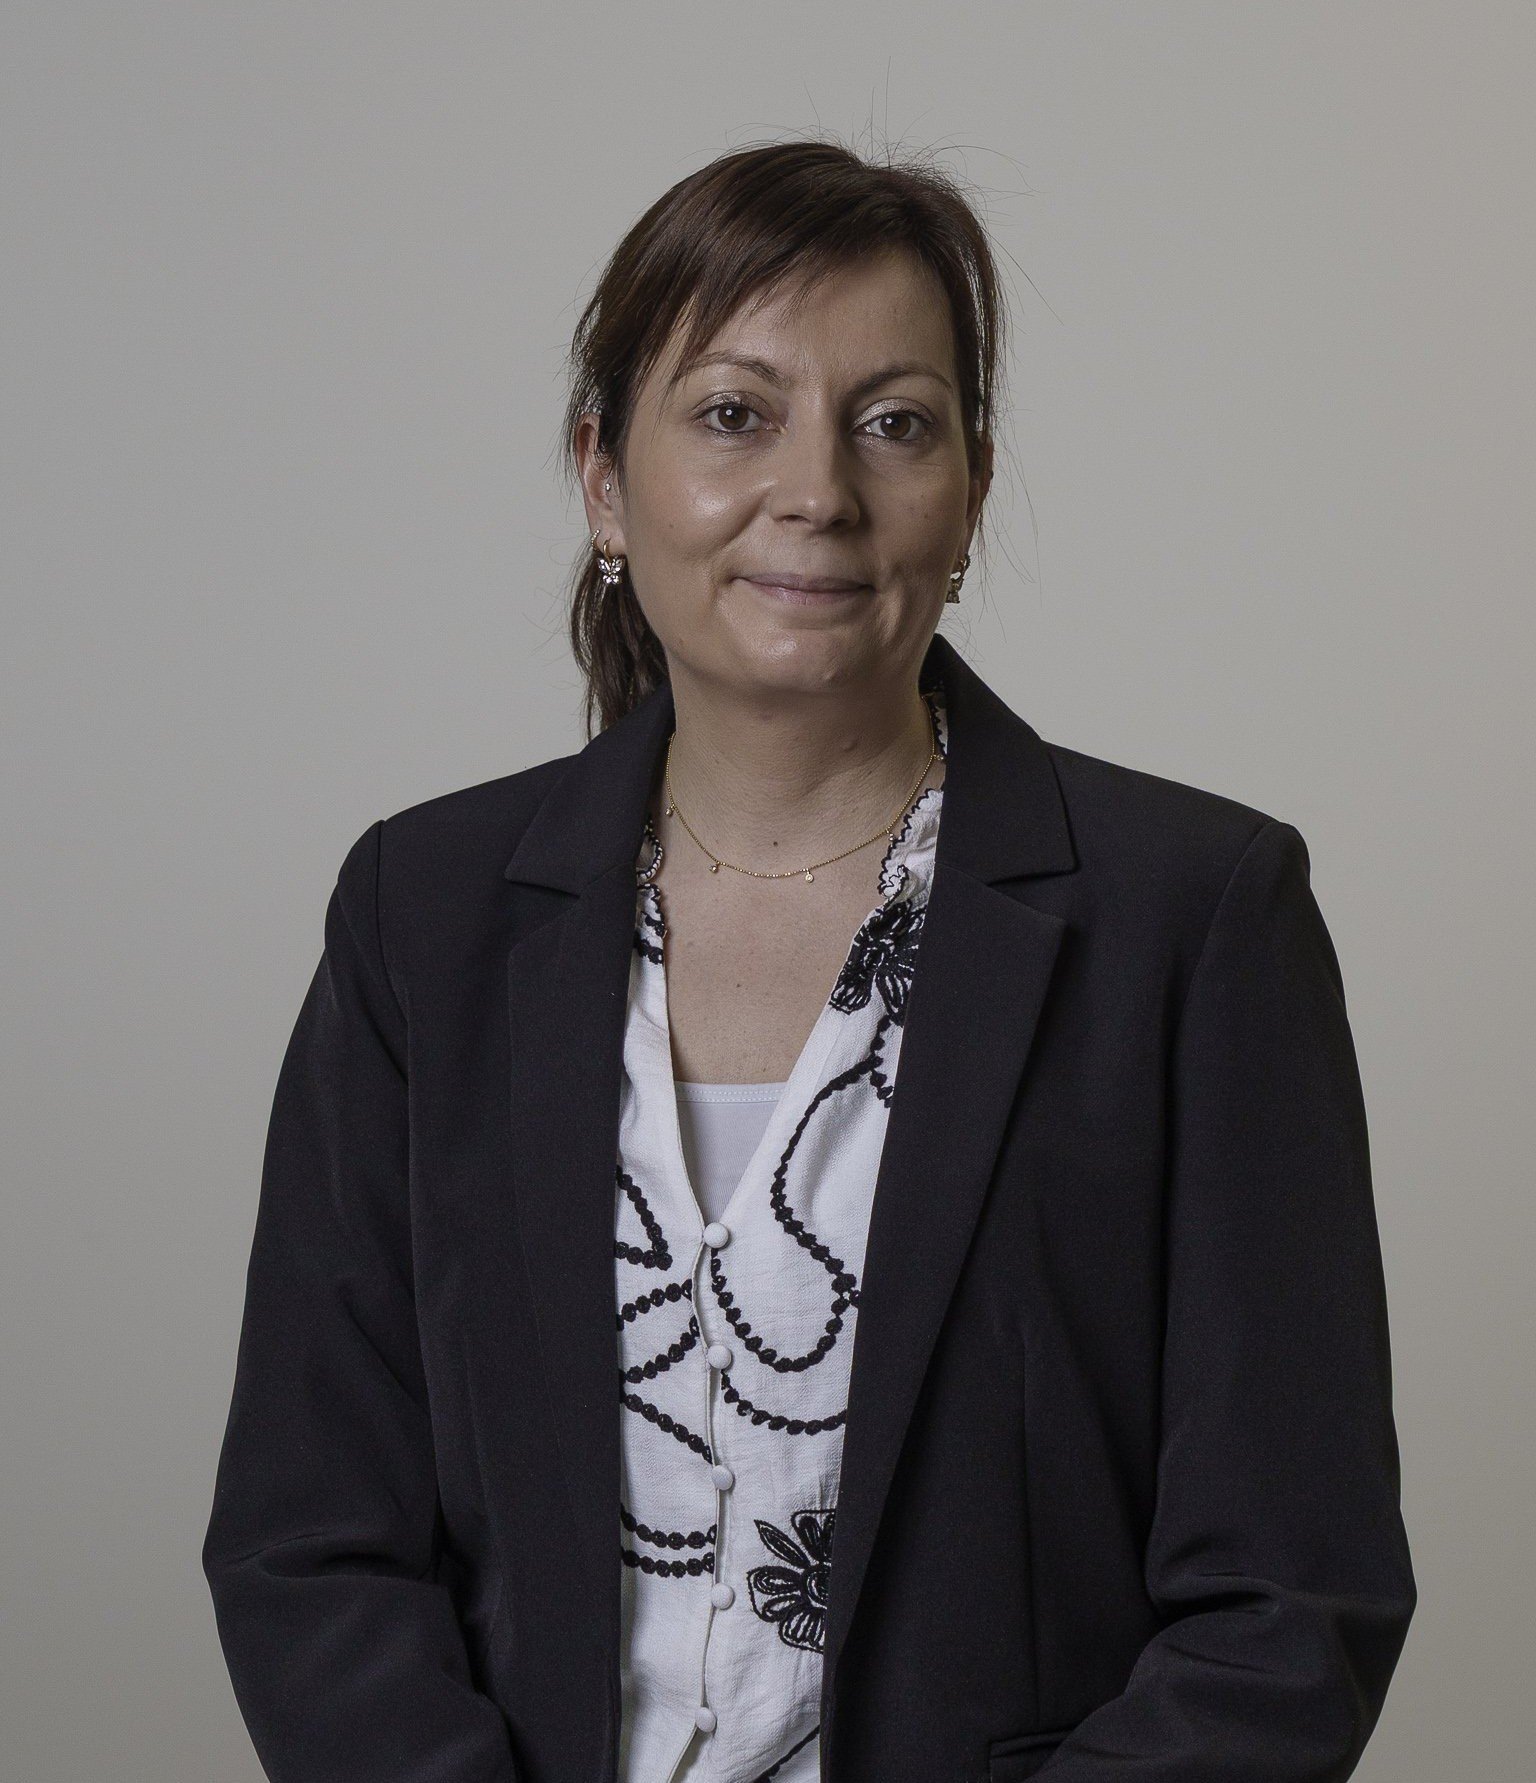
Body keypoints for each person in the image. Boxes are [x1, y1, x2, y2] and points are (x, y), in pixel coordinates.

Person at [202, 139, 1416, 1783]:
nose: (818, 491)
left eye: (894, 423)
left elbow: (1290, 1603)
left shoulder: (1194, 922)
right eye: (732, 413)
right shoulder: (422, 916)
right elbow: (311, 1541)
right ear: (603, 477)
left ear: (972, 489)